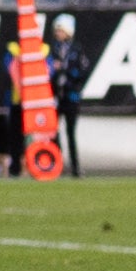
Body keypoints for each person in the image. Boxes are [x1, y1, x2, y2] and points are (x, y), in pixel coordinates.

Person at [46, 12, 85, 178]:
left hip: (70, 97)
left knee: (70, 133)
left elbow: (82, 71)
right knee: (53, 132)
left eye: (61, 30)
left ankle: (75, 167)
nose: (57, 33)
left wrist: (65, 70)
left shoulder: (76, 49)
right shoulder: (52, 49)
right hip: (56, 96)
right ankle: (57, 163)